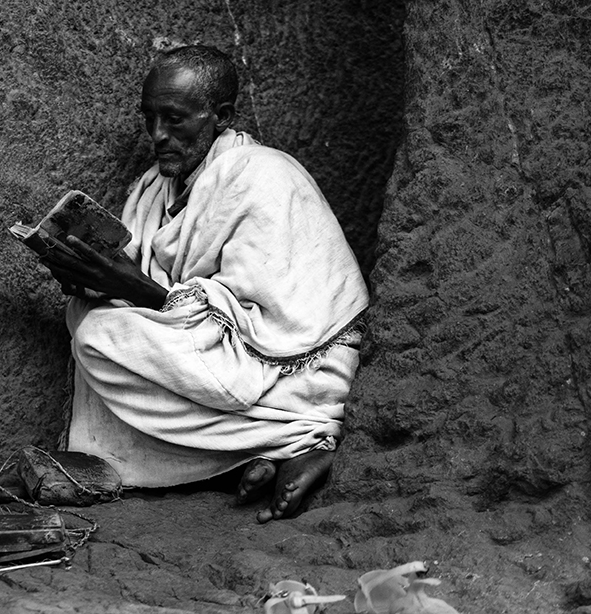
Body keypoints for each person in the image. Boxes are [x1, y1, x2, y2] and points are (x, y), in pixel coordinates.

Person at [40, 45, 369, 523]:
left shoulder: (263, 176)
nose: (158, 135)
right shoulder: (155, 189)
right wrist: (91, 278)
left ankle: (298, 438)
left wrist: (134, 288)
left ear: (220, 116)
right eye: (149, 118)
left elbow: (270, 328)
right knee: (89, 321)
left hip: (290, 374)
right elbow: (159, 297)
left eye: (174, 119)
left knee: (97, 336)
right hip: (214, 355)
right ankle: (241, 455)